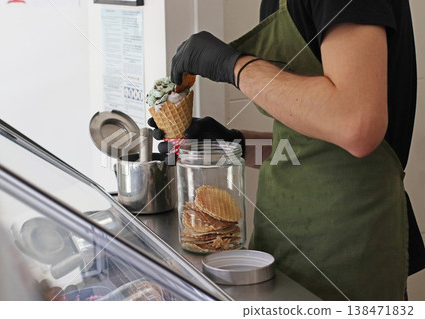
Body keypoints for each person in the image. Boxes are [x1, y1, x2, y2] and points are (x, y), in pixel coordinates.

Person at [149, 0, 425, 300]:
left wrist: (234, 65)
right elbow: (310, 148)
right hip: (280, 247)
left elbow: (356, 124)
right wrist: (234, 144)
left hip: (346, 254)